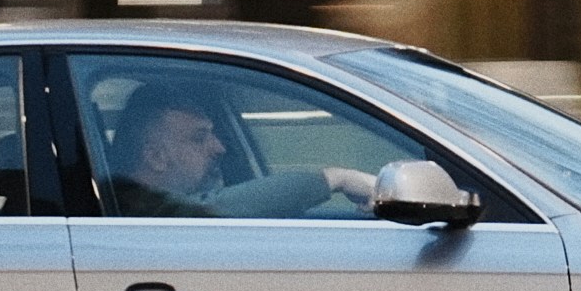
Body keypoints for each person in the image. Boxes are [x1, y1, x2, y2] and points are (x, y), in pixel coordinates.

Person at [107, 82, 379, 218]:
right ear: (156, 157)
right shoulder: (130, 205)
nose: (220, 147)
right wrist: (336, 179)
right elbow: (213, 209)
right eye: (199, 138)